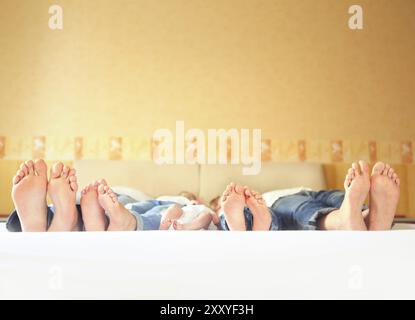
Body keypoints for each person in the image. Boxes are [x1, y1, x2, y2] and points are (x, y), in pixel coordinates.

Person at [218, 161, 400, 231]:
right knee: (304, 210)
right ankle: (345, 219)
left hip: (316, 191)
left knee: (341, 198)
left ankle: (370, 216)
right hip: (283, 201)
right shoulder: (270, 200)